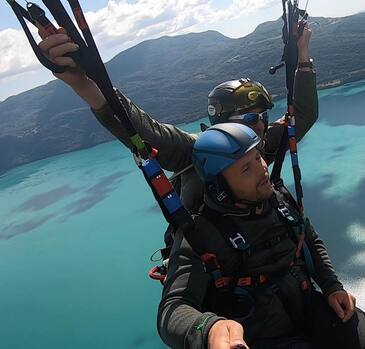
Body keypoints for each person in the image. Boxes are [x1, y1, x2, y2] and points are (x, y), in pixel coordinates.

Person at [38, 25, 318, 217]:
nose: (259, 125)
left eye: (263, 117)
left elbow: (303, 116)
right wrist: (85, 85)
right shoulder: (197, 154)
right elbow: (146, 131)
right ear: (221, 122)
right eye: (249, 118)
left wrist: (303, 54)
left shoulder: (259, 147)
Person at [157, 123, 365, 349]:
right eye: (246, 168)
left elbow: (310, 240)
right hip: (258, 337)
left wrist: (332, 286)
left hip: (307, 310)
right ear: (220, 186)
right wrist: (208, 328)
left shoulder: (278, 200)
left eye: (258, 157)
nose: (262, 168)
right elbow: (173, 308)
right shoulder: (200, 236)